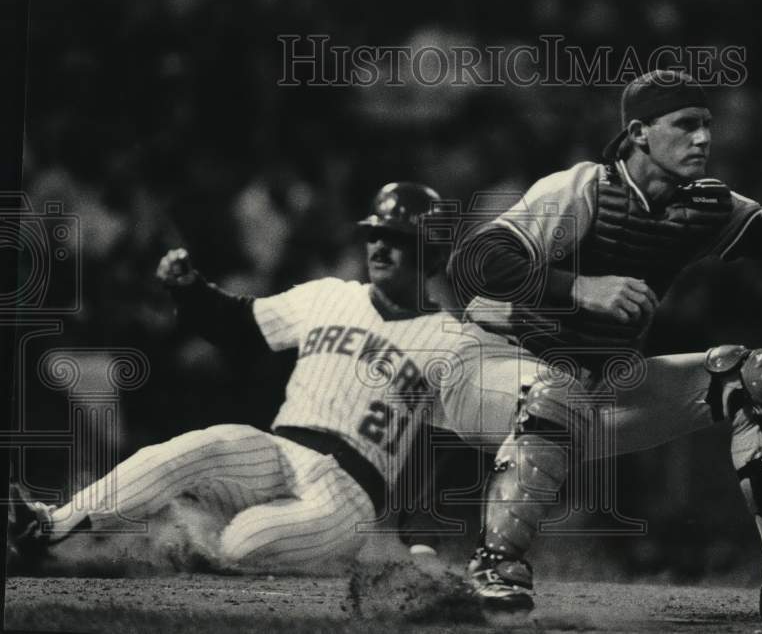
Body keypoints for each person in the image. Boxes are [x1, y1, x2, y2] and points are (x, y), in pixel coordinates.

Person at [443, 69, 762, 624]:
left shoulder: (704, 205)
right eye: (685, 125)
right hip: (492, 368)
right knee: (554, 388)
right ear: (639, 132)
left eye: (707, 125)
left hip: (595, 390)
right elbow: (472, 263)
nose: (704, 138)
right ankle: (494, 566)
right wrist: (578, 287)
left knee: (756, 376)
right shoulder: (581, 188)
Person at [7, 181, 463, 574]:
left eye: (398, 238)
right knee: (194, 448)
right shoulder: (329, 294)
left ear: (433, 255)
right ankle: (47, 528)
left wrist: (422, 541)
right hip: (277, 451)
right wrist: (191, 291)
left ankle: (187, 542)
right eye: (375, 234)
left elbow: (444, 451)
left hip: (346, 496)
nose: (380, 246)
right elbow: (240, 323)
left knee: (244, 543)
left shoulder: (449, 339)